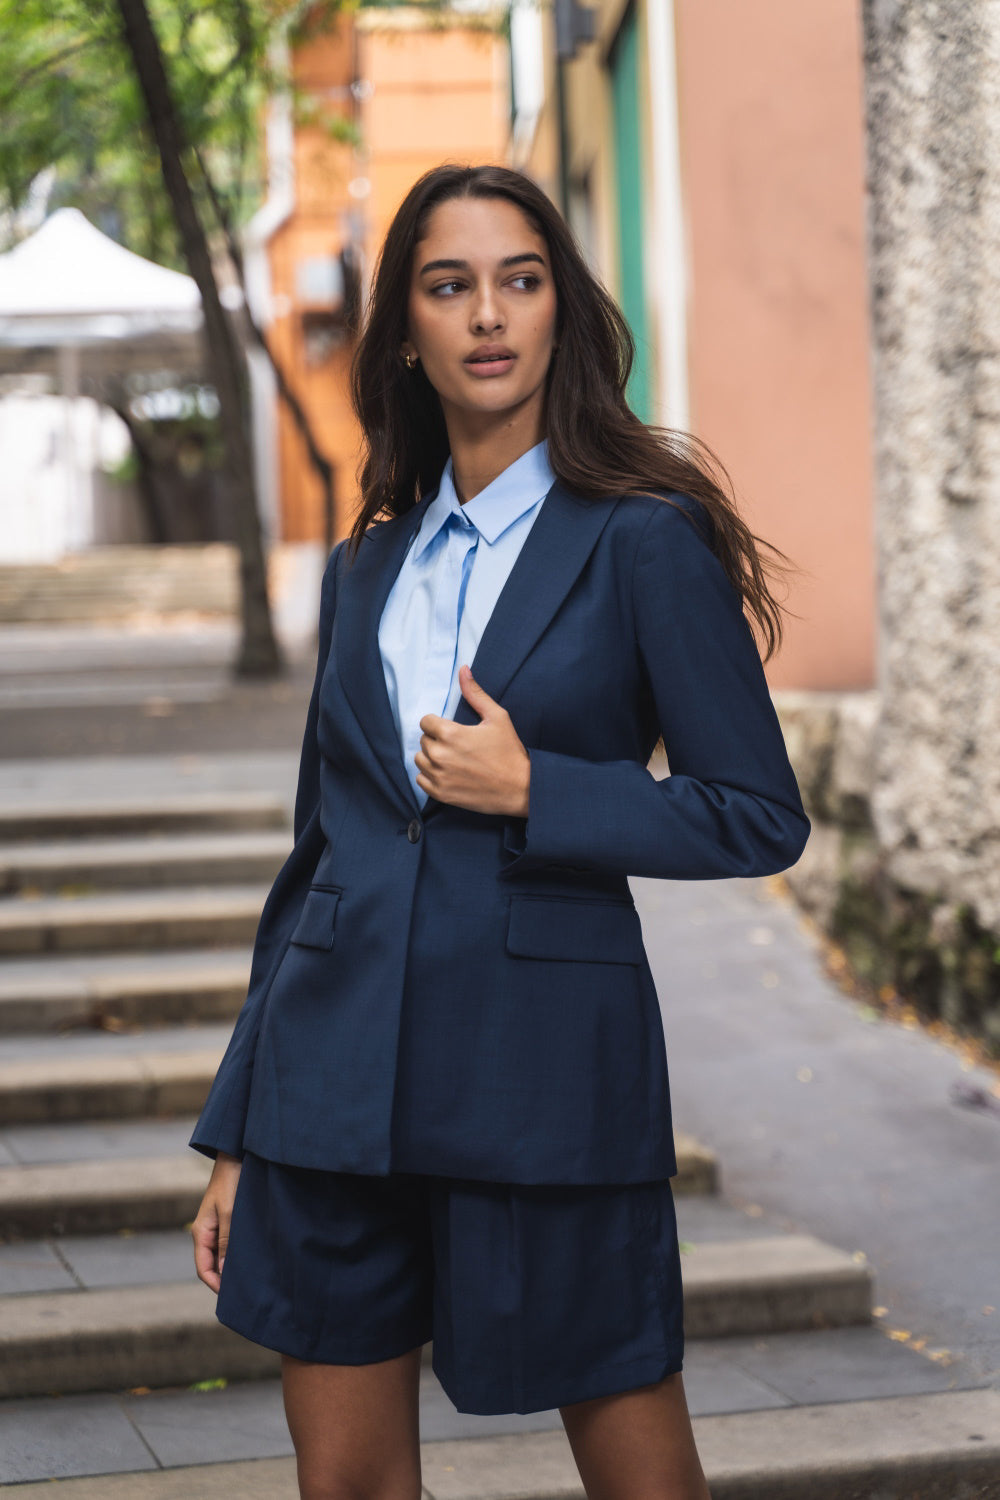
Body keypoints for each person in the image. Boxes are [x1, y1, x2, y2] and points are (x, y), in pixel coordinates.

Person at [189, 163, 810, 1500]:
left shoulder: (645, 541)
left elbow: (758, 815)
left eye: (520, 281)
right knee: (343, 1483)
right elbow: (319, 857)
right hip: (328, 1092)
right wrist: (241, 1129)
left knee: (641, 1476)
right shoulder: (364, 568)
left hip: (545, 1085)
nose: (487, 315)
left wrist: (543, 791)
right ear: (406, 329)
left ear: (560, 313)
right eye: (448, 284)